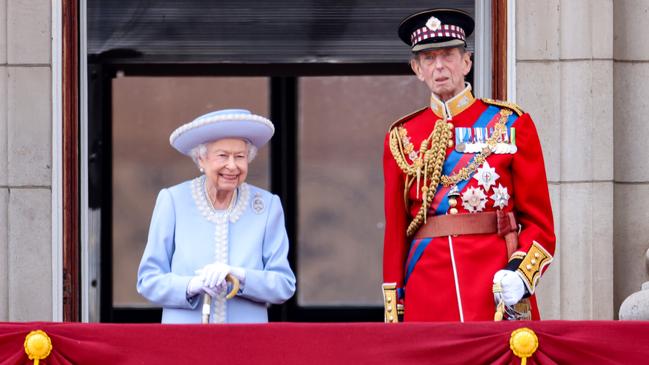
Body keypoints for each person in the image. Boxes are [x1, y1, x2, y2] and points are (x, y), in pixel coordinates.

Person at [381, 9, 555, 322]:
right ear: (417, 69)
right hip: (427, 290)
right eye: (428, 58)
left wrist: (521, 274)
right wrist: (396, 312)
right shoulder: (402, 136)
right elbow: (395, 235)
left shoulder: (510, 124)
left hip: (495, 283)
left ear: (467, 62)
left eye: (448, 55)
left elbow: (540, 224)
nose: (439, 66)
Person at [137, 109, 296, 323]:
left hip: (246, 341)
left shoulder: (267, 206)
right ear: (201, 159)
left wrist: (238, 275)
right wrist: (191, 286)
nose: (232, 165)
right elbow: (148, 280)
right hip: (184, 340)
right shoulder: (173, 200)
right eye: (222, 156)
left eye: (240, 157)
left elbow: (284, 285)